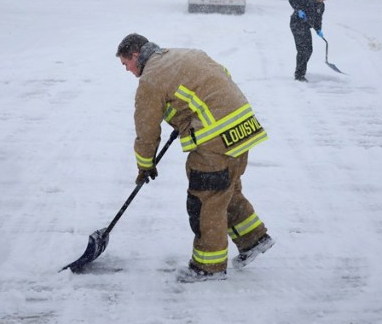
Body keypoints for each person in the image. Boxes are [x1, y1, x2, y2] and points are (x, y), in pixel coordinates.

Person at [116, 33, 275, 282]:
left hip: (215, 138)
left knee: (205, 200)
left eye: (126, 64)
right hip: (243, 128)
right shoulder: (187, 54)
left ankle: (207, 267)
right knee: (225, 189)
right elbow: (220, 78)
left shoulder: (151, 79)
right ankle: (253, 239)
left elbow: (146, 130)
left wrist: (145, 164)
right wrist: (187, 115)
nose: (128, 70)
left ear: (136, 55)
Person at [288, 0, 331, 81]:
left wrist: (318, 29)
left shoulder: (321, 5)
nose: (322, 0)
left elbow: (318, 19)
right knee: (303, 50)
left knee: (309, 50)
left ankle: (301, 71)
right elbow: (291, 0)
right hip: (297, 24)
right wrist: (298, 10)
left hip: (306, 27)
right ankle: (299, 75)